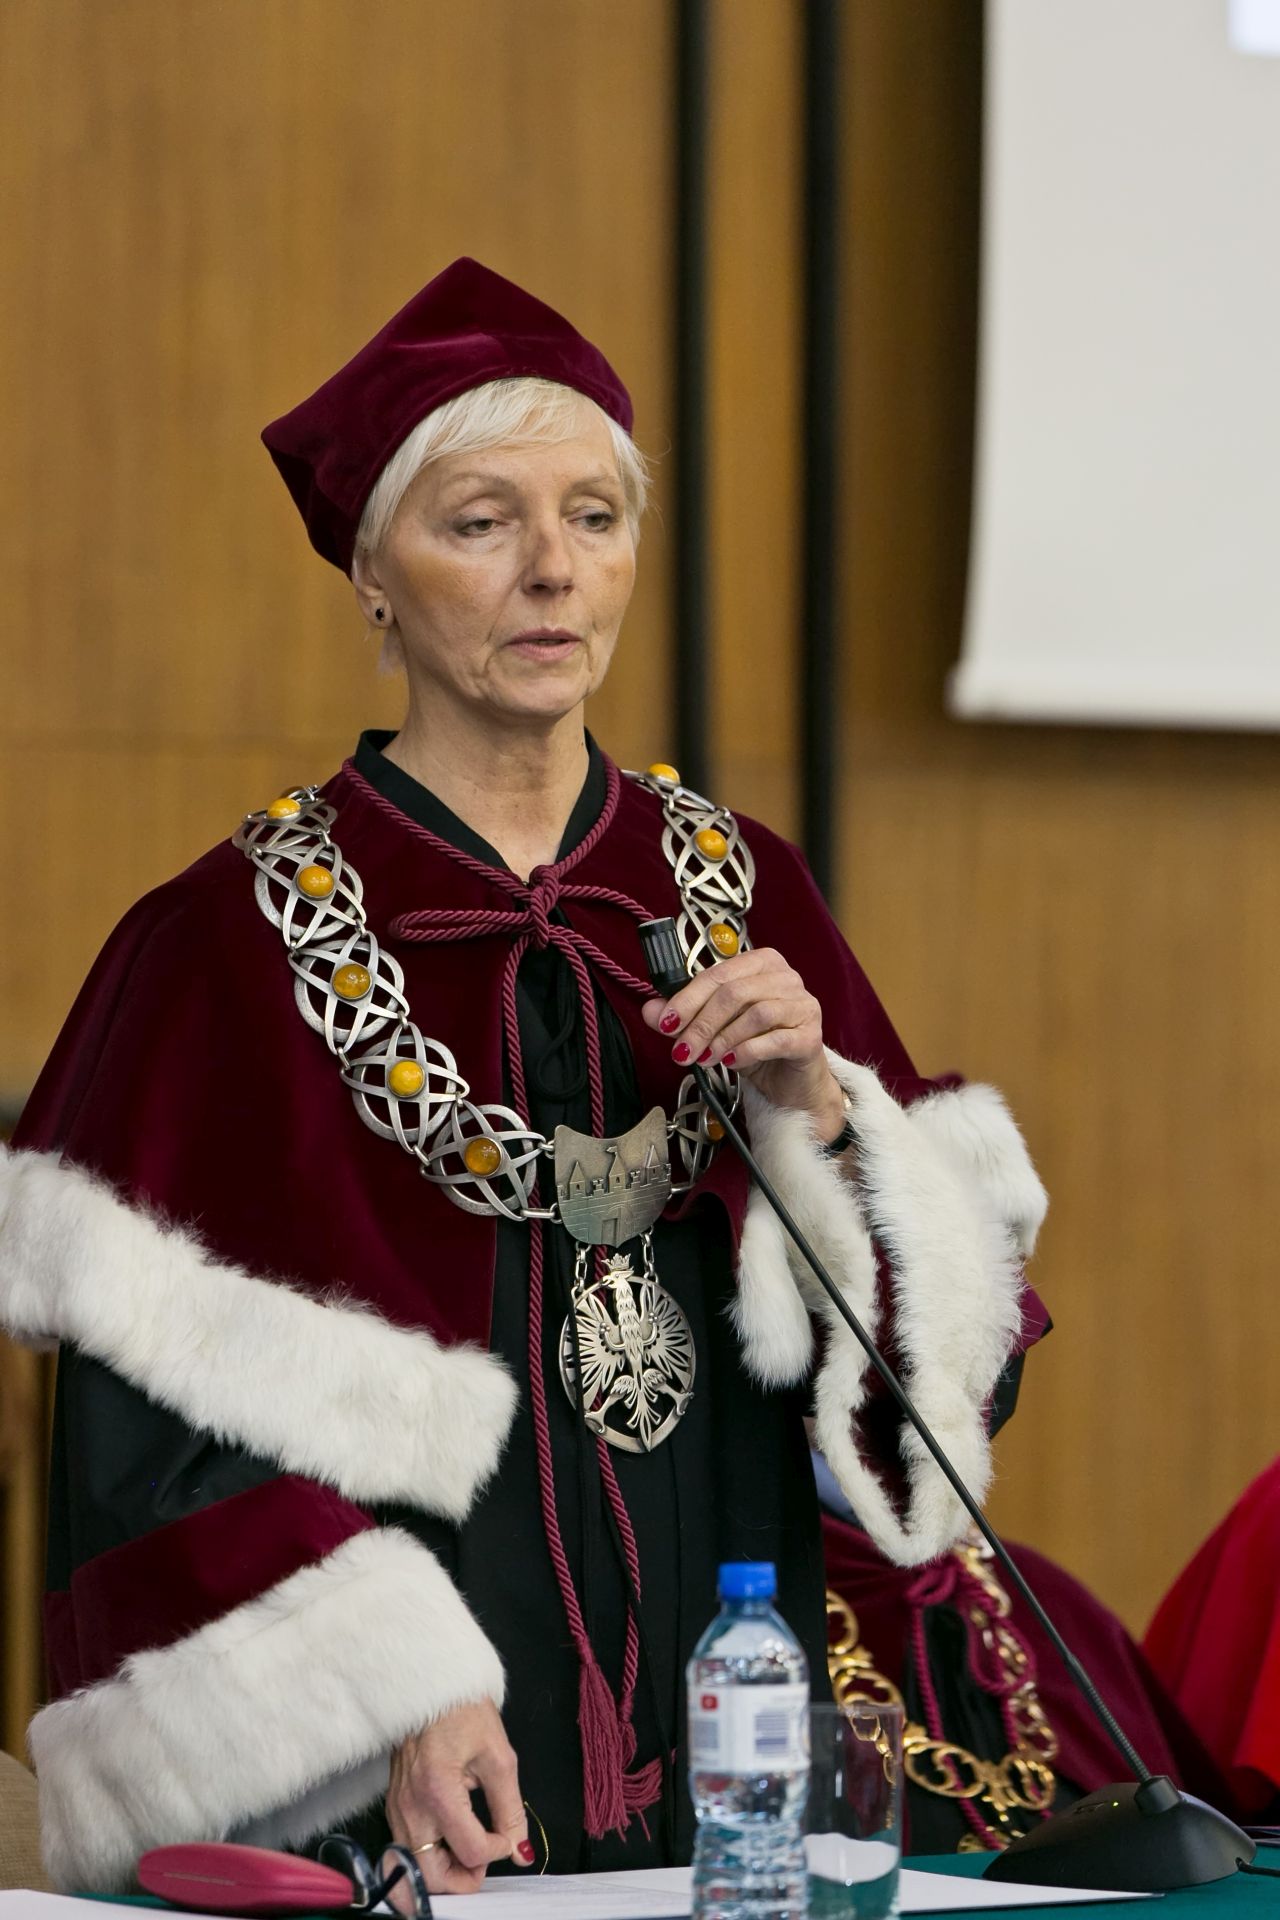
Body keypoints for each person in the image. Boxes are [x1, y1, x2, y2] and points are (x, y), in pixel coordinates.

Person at [0, 259, 1052, 1895]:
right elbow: (142, 1449)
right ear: (374, 573)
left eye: (595, 518)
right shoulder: (222, 944)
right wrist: (389, 1689)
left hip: (724, 1727)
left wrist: (826, 1118)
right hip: (391, 1788)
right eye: (482, 522)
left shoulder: (742, 887)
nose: (553, 570)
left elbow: (941, 1396)